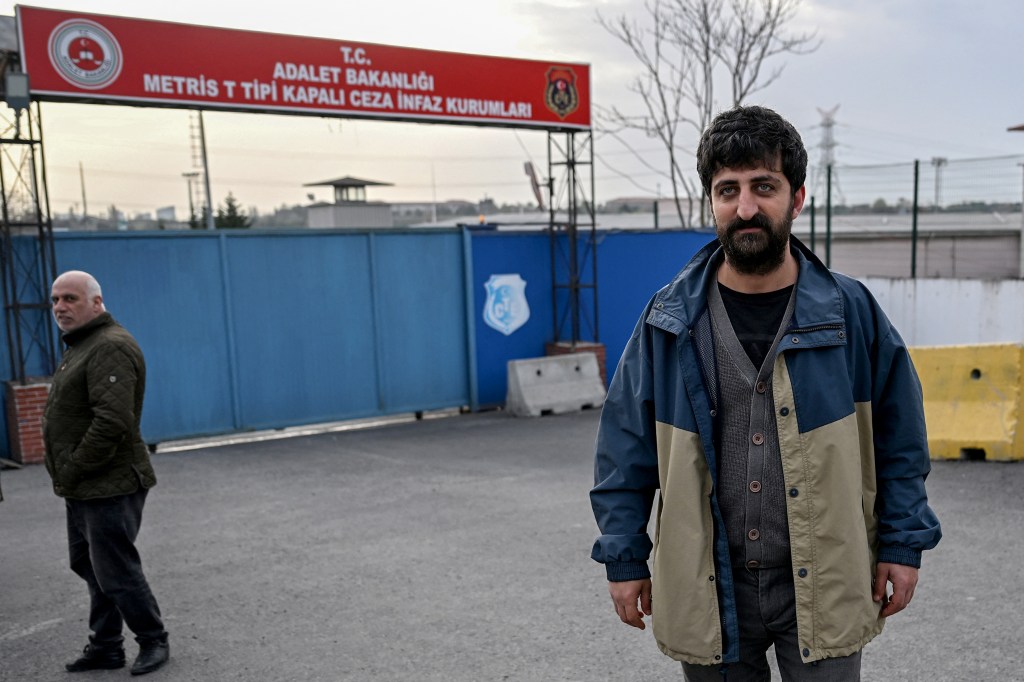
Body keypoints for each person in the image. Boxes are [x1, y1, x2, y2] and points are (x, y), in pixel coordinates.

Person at [590, 106, 941, 681]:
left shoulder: (850, 315)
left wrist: (902, 546)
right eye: (727, 189)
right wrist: (624, 556)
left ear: (796, 198)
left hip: (825, 579)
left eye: (763, 186)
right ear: (711, 201)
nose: (745, 207)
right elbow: (624, 450)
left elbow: (901, 441)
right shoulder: (668, 321)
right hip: (711, 583)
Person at [43, 270, 170, 675]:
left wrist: (75, 467)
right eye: (56, 299)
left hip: (108, 482)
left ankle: (153, 640)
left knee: (116, 570)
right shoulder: (82, 344)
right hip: (84, 484)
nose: (60, 307)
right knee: (90, 565)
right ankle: (106, 646)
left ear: (96, 303)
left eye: (70, 299)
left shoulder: (108, 346)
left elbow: (112, 422)